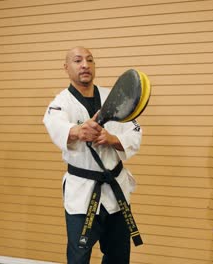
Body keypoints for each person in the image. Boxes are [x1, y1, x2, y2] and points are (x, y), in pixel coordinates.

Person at [43, 46, 143, 264]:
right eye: (78, 61)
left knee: (118, 255)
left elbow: (134, 132)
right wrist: (78, 131)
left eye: (89, 60)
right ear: (66, 67)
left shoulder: (114, 97)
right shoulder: (60, 104)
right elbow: (55, 126)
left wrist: (112, 138)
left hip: (116, 190)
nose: (85, 65)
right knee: (79, 257)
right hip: (82, 194)